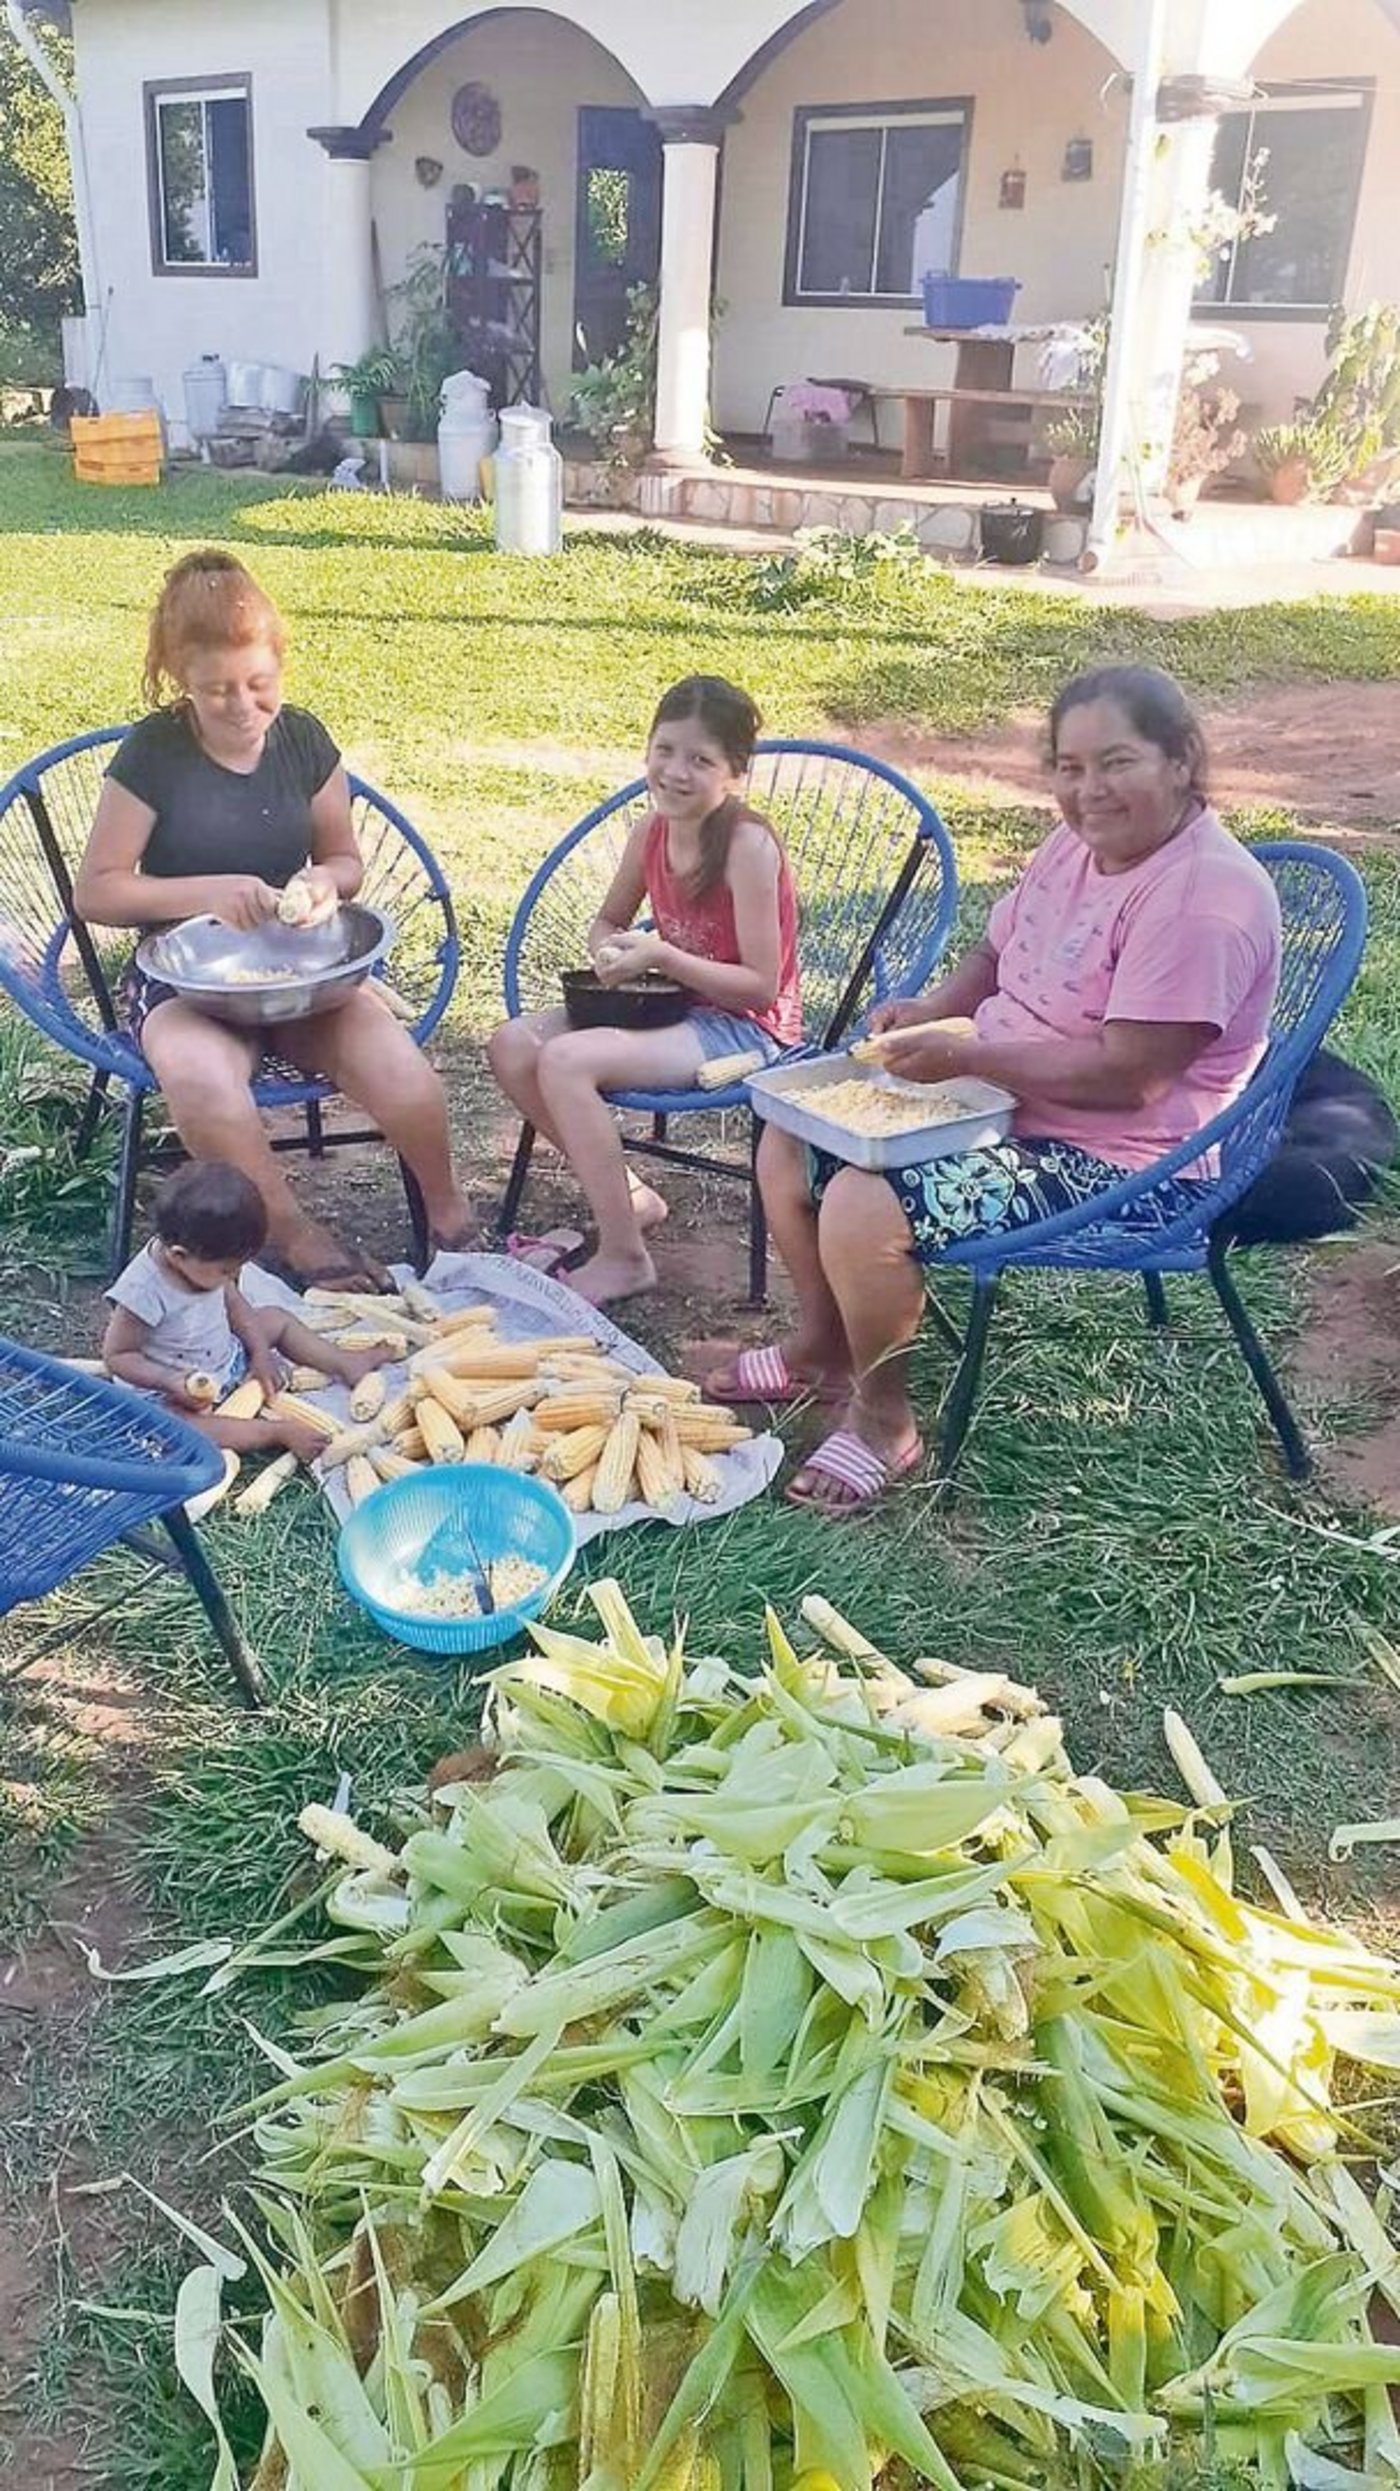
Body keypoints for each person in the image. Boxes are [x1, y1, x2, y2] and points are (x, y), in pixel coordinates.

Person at [708, 665, 1283, 1513]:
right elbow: (996, 950)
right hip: (1003, 1101)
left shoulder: (1204, 897)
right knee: (790, 1137)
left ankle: (883, 1420)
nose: (1089, 791)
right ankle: (825, 1348)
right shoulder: (1078, 842)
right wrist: (938, 1009)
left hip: (1126, 1162)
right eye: (1069, 766)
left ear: (1182, 759)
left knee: (867, 1200)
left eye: (1116, 762)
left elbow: (1132, 1077)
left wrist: (969, 1059)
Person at [73, 549, 474, 1291]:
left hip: (295, 971)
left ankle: (452, 1221)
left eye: (260, 684)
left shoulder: (302, 740)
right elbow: (97, 891)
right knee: (201, 1080)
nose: (243, 706)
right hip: (186, 980)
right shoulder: (154, 752)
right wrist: (207, 891)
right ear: (179, 681)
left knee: (401, 1070)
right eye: (217, 689)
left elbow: (345, 860)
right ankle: (294, 1235)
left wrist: (325, 879)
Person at [488, 675, 802, 1306]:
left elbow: (761, 987)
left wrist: (662, 954)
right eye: (665, 750)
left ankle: (626, 1256)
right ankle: (630, 1197)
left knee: (568, 1061)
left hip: (746, 1029)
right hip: (674, 1005)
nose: (676, 772)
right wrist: (612, 951)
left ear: (733, 774)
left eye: (700, 760)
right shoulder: (649, 834)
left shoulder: (746, 846)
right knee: (512, 1044)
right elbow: (606, 920)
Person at [103, 1159, 388, 1463]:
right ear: (179, 1256)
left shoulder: (203, 1261)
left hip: (224, 1355)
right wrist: (167, 1380)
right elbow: (117, 1356)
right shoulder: (142, 1291)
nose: (234, 1275)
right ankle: (274, 1433)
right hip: (173, 1392)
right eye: (227, 1270)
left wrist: (260, 1352)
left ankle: (343, 1362)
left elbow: (236, 1305)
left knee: (276, 1319)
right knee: (178, 1428)